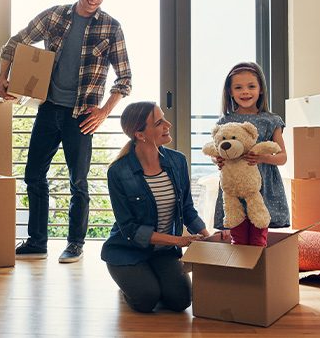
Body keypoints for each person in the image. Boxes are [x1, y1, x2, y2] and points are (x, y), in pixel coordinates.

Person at [0, 0, 132, 262]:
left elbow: (125, 80)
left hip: (82, 116)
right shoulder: (55, 16)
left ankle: (75, 243)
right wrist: (2, 79)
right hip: (48, 109)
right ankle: (37, 242)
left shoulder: (111, 27)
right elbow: (13, 44)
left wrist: (103, 112)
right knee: (34, 174)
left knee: (79, 182)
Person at [101, 102, 210, 313]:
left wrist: (207, 236)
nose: (168, 124)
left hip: (163, 252)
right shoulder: (118, 172)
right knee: (146, 300)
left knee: (181, 301)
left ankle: (150, 276)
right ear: (140, 134)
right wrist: (179, 240)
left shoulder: (177, 162)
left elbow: (187, 208)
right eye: (159, 122)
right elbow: (130, 229)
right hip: (127, 251)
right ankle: (130, 284)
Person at [213, 61, 289, 247]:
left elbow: (282, 157)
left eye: (251, 86)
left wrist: (262, 158)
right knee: (237, 238)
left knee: (258, 239)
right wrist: (218, 160)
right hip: (234, 186)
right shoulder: (226, 120)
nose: (245, 92)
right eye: (238, 87)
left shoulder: (271, 120)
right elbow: (218, 151)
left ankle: (257, 275)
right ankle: (241, 275)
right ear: (230, 92)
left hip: (263, 186)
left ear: (261, 89)